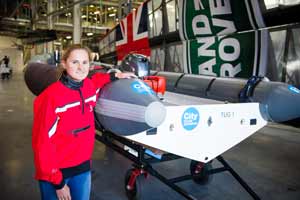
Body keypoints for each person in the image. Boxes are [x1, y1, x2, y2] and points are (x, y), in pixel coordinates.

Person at [32, 44, 134, 200]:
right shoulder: (50, 98)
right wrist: (58, 183)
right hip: (57, 172)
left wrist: (115, 76)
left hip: (83, 168)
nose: (81, 67)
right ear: (64, 64)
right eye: (75, 62)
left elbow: (96, 80)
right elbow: (42, 144)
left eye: (85, 62)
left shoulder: (88, 86)